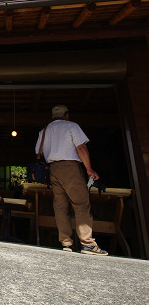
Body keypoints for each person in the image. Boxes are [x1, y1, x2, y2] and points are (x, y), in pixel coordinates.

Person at [35, 105, 108, 255]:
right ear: (67, 114)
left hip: (53, 169)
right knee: (81, 203)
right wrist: (89, 169)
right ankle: (87, 243)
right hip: (70, 167)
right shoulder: (71, 126)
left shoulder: (44, 131)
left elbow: (38, 151)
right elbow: (81, 148)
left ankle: (66, 242)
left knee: (60, 205)